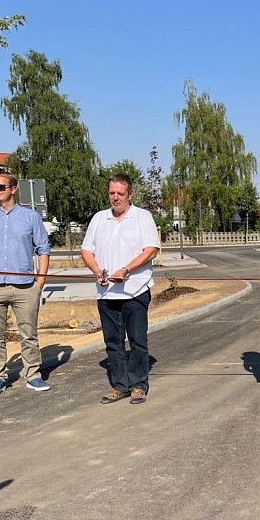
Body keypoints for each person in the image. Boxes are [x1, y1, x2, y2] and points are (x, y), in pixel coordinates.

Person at [81, 173, 160, 405]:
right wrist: (97, 270)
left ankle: (138, 385)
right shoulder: (99, 219)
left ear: (130, 195)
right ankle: (120, 385)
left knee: (137, 340)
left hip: (135, 291)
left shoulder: (142, 217)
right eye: (111, 193)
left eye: (120, 194)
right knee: (113, 342)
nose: (115, 198)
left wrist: (126, 270)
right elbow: (87, 250)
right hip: (106, 293)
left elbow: (150, 250)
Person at [0, 171, 51, 397]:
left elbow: (43, 249)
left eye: (0, 187)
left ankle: (33, 375)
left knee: (29, 334)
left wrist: (40, 281)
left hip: (25, 286)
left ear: (14, 189)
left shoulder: (30, 217)